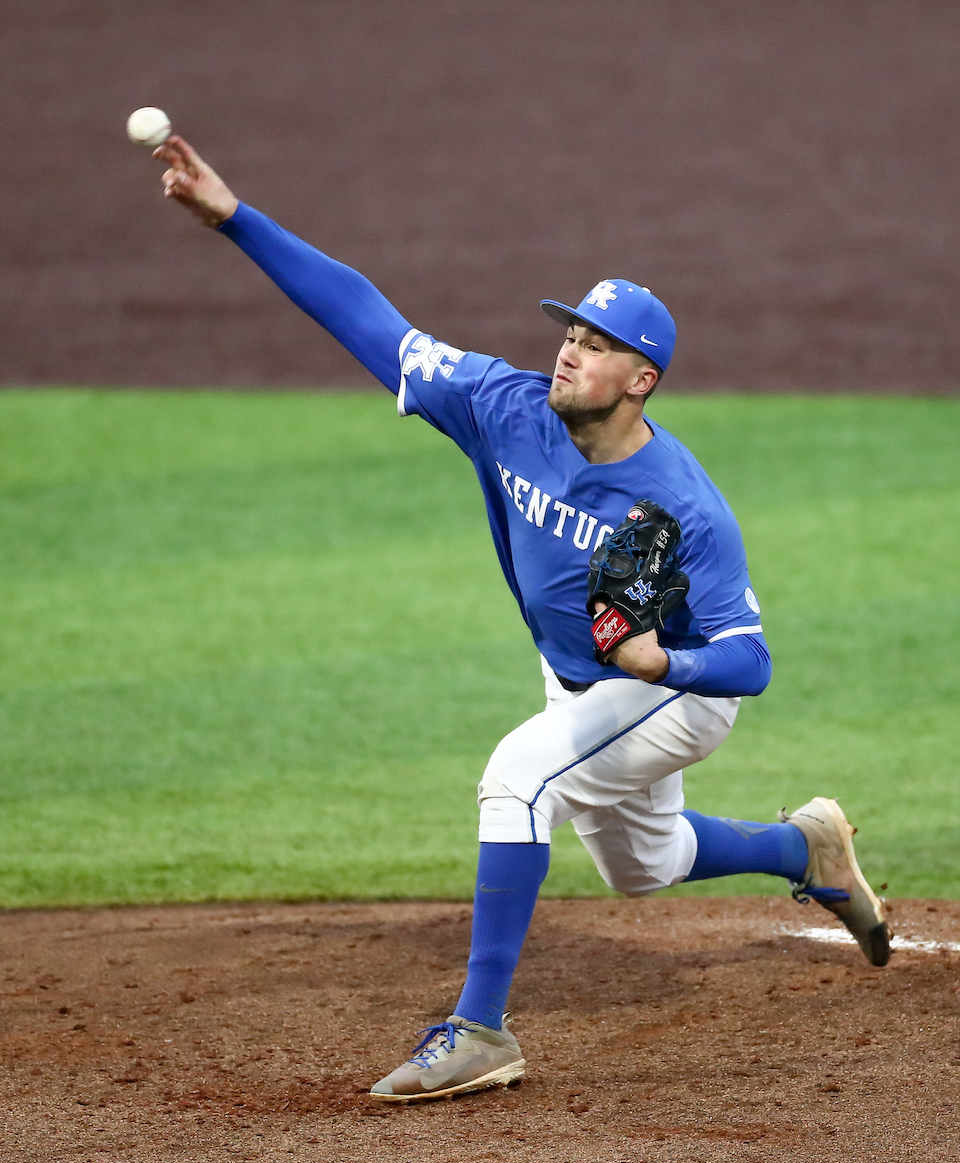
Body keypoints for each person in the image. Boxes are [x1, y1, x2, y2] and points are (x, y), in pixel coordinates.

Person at [152, 136, 890, 1103]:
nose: (569, 350)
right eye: (570, 332)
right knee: (644, 864)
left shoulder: (685, 508)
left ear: (641, 381)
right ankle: (807, 848)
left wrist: (664, 663)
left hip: (670, 690)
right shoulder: (504, 407)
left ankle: (478, 1030)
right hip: (582, 675)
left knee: (519, 775)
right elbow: (367, 317)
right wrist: (233, 218)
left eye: (595, 344)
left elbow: (750, 660)